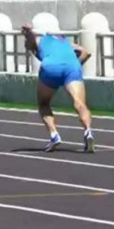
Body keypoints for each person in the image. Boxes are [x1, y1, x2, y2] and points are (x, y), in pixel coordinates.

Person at [21, 24, 95, 153]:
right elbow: (86, 53)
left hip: (51, 68)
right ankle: (88, 131)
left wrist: (28, 33)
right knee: (80, 103)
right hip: (72, 66)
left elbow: (31, 42)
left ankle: (54, 135)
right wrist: (76, 65)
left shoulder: (42, 40)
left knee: (44, 104)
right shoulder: (66, 43)